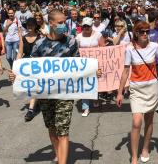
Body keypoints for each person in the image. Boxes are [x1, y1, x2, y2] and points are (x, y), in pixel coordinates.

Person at [8, 9, 101, 164]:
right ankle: (58, 154)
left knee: (63, 130)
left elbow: (78, 66)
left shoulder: (71, 42)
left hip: (65, 95)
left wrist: (92, 72)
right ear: (50, 23)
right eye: (60, 23)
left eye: (64, 22)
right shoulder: (39, 44)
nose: (63, 25)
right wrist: (16, 76)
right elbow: (30, 69)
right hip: (46, 94)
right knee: (51, 128)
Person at [116, 21, 158, 164]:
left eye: (147, 31)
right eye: (141, 32)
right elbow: (126, 71)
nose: (145, 34)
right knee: (136, 122)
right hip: (136, 90)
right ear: (136, 33)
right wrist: (120, 92)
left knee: (149, 120)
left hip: (152, 88)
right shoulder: (129, 49)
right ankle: (134, 156)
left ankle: (145, 148)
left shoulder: (154, 46)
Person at [76, 17, 105, 117]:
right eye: (84, 26)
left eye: (88, 26)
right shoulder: (78, 37)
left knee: (95, 82)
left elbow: (103, 48)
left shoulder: (98, 35)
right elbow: (76, 50)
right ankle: (85, 107)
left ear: (91, 26)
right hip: (83, 64)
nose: (86, 28)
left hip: (96, 63)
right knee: (84, 84)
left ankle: (95, 98)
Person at [16, 18, 41, 122]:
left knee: (34, 86)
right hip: (26, 64)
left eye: (32, 25)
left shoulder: (40, 37)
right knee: (29, 87)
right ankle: (37, 101)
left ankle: (30, 110)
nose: (29, 27)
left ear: (35, 26)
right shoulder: (23, 38)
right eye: (28, 25)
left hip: (37, 64)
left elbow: (43, 51)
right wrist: (16, 66)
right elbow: (20, 52)